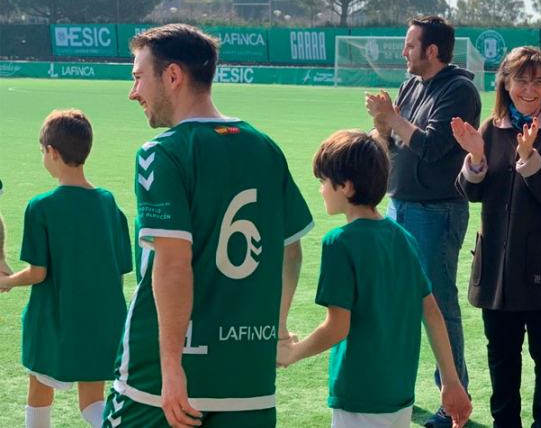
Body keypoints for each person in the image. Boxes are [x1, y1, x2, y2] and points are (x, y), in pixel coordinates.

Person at [102, 24, 314, 428]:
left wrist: (171, 369)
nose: (133, 92)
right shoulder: (266, 148)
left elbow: (173, 264)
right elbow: (291, 252)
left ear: (173, 76)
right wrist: (277, 332)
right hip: (248, 379)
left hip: (158, 385)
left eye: (138, 77)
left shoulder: (161, 153)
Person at [277, 130, 472, 428]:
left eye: (323, 182)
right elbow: (432, 313)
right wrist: (451, 382)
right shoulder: (404, 238)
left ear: (346, 186)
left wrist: (292, 352)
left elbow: (337, 327)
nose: (320, 190)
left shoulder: (339, 242)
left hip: (359, 396)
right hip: (400, 396)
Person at [452, 46, 541, 428]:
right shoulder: (490, 128)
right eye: (522, 80)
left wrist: (529, 157)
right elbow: (472, 193)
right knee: (501, 357)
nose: (530, 90)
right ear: (505, 82)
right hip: (498, 270)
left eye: (539, 81)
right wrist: (476, 158)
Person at [365, 15, 480, 428]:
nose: (404, 52)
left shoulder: (460, 90)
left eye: (410, 46)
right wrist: (382, 125)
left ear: (432, 51)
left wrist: (392, 118)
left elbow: (432, 147)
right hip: (399, 204)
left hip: (437, 211)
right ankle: (399, 388)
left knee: (438, 304)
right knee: (398, 300)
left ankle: (454, 399)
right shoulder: (410, 85)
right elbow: (397, 142)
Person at [0, 109, 131, 428]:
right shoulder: (109, 203)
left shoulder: (41, 207)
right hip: (102, 321)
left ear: (52, 152)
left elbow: (38, 273)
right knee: (93, 403)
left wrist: (8, 281)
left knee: (39, 393)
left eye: (41, 150)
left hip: (53, 322)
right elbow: (120, 271)